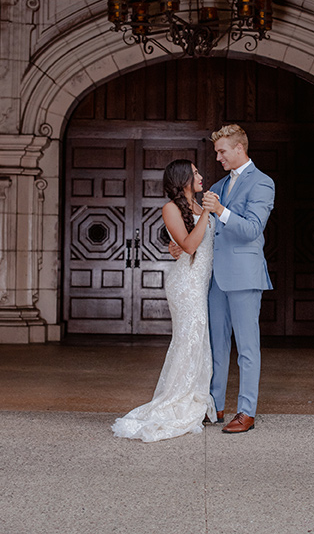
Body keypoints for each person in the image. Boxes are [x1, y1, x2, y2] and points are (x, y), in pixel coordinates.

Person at [173, 124, 275, 434]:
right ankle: (214, 405)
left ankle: (246, 411)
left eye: (222, 152)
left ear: (239, 149)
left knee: (247, 348)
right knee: (215, 345)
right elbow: (205, 228)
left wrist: (222, 210)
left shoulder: (263, 183)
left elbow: (252, 229)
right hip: (215, 278)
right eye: (217, 152)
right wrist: (181, 243)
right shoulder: (218, 184)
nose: (217, 157)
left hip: (245, 276)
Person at [111, 159, 217, 442]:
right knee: (188, 339)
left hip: (202, 282)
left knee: (198, 339)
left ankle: (196, 396)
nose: (201, 176)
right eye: (195, 173)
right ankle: (176, 399)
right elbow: (190, 246)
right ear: (183, 178)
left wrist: (203, 213)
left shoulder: (197, 206)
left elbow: (194, 244)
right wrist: (206, 214)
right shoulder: (170, 208)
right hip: (186, 284)